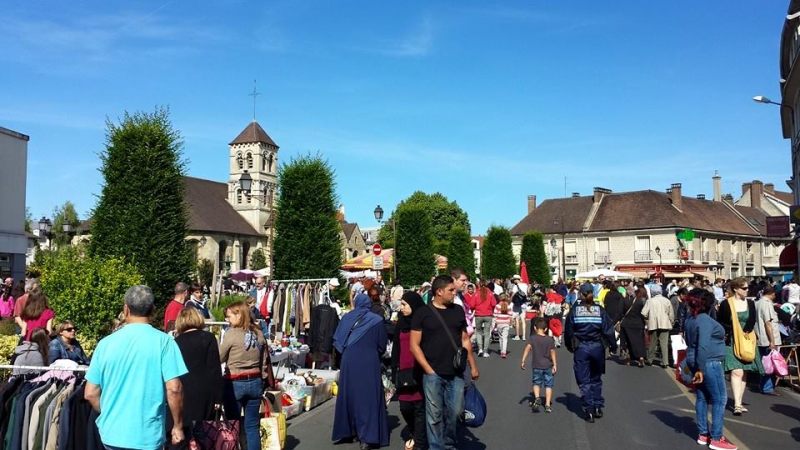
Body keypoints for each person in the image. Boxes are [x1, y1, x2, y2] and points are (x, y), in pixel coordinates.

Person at [85, 285, 188, 449]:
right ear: (153, 310)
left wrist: (111, 412)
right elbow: (174, 388)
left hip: (112, 433)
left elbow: (90, 393)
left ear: (126, 309)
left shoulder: (105, 344)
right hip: (148, 434)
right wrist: (177, 425)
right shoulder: (164, 342)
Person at [410, 275, 479, 450]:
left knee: (455, 413)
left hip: (456, 372)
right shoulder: (422, 313)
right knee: (434, 416)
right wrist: (428, 370)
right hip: (432, 373)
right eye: (451, 290)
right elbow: (414, 345)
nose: (454, 292)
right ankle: (436, 447)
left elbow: (464, 339)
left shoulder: (457, 310)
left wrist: (473, 365)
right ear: (439, 292)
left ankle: (449, 443)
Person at [332, 293, 389, 449]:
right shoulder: (376, 320)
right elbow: (381, 345)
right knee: (368, 398)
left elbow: (337, 341)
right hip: (369, 361)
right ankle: (368, 436)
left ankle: (348, 430)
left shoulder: (346, 318)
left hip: (349, 361)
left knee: (350, 395)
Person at [684, 289, 737, 450]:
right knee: (719, 398)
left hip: (695, 360)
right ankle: (716, 438)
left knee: (702, 397)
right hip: (709, 362)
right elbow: (703, 345)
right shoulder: (705, 320)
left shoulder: (690, 320)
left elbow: (689, 341)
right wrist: (700, 368)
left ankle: (703, 434)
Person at [564, 283, 617, 423]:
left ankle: (589, 409)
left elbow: (569, 331)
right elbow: (608, 329)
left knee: (584, 381)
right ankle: (598, 405)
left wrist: (570, 346)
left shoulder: (575, 311)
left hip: (581, 348)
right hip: (598, 348)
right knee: (596, 379)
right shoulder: (600, 310)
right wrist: (613, 346)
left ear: (581, 294)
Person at [171, 308, 224, 446]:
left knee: (187, 433)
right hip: (205, 391)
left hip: (184, 390)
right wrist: (218, 397)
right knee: (205, 434)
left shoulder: (176, 342)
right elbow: (214, 369)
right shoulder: (208, 338)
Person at [219, 300, 267, 450]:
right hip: (255, 380)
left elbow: (220, 357)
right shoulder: (258, 333)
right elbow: (264, 361)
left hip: (235, 382)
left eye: (230, 316)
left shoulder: (231, 334)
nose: (228, 319)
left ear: (239, 315)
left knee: (233, 425)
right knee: (252, 426)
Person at [717, 277, 763, 416]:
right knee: (737, 371)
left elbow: (752, 319)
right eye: (744, 288)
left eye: (747, 287)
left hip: (747, 340)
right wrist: (733, 330)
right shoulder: (726, 304)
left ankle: (739, 401)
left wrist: (746, 330)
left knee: (744, 371)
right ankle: (737, 404)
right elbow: (721, 321)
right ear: (736, 289)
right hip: (732, 340)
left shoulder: (750, 303)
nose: (747, 290)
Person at [391, 292, 427, 450]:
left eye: (405, 304)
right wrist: (394, 369)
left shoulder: (424, 323)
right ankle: (415, 432)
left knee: (419, 408)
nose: (402, 308)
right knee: (405, 406)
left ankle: (419, 442)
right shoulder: (401, 323)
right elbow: (396, 348)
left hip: (419, 371)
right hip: (403, 371)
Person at [520, 318, 557, 413]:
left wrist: (523, 360)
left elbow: (527, 348)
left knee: (536, 382)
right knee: (548, 384)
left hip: (537, 365)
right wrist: (555, 364)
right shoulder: (550, 339)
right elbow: (552, 352)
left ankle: (537, 397)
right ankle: (548, 404)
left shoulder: (532, 338)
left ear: (535, 328)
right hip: (548, 365)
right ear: (546, 329)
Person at [754, 287, 781, 396]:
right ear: (772, 294)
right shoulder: (767, 303)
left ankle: (763, 385)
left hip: (760, 337)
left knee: (764, 363)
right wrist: (772, 341)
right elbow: (768, 323)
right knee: (770, 364)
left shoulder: (757, 303)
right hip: (768, 338)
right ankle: (767, 387)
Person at [642, 284, 674, 367]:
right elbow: (671, 314)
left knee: (653, 343)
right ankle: (665, 362)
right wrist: (671, 322)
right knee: (664, 344)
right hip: (665, 323)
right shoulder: (667, 301)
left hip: (653, 324)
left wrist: (647, 320)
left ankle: (650, 359)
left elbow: (644, 313)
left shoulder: (650, 301)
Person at [466, 279, 496, 358]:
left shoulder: (476, 293)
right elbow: (494, 303)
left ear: (478, 284)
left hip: (478, 315)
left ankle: (480, 349)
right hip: (488, 314)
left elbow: (471, 305)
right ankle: (485, 351)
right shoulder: (490, 293)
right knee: (487, 333)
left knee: (478, 332)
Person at [619, 287, 647, 367]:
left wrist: (617, 321)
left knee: (628, 342)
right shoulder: (640, 301)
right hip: (638, 323)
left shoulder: (624, 300)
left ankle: (628, 359)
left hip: (627, 323)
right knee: (639, 342)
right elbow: (644, 312)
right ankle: (641, 358)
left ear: (627, 292)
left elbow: (620, 312)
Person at [493, 294, 513, 358]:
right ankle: (504, 352)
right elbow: (510, 315)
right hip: (506, 323)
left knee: (500, 337)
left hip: (499, 323)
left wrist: (495, 325)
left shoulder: (497, 306)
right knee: (505, 338)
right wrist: (511, 323)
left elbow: (495, 315)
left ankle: (501, 350)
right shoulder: (509, 306)